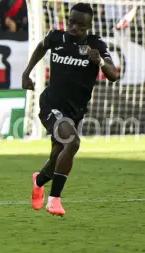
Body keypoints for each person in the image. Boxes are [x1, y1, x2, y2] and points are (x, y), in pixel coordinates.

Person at [22, 3, 119, 216]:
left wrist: (100, 61)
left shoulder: (95, 45)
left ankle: (38, 181)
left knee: (57, 157)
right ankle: (54, 200)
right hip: (51, 105)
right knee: (72, 142)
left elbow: (113, 75)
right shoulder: (56, 38)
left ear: (89, 26)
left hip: (75, 111)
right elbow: (40, 47)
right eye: (71, 22)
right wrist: (26, 73)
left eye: (80, 25)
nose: (74, 27)